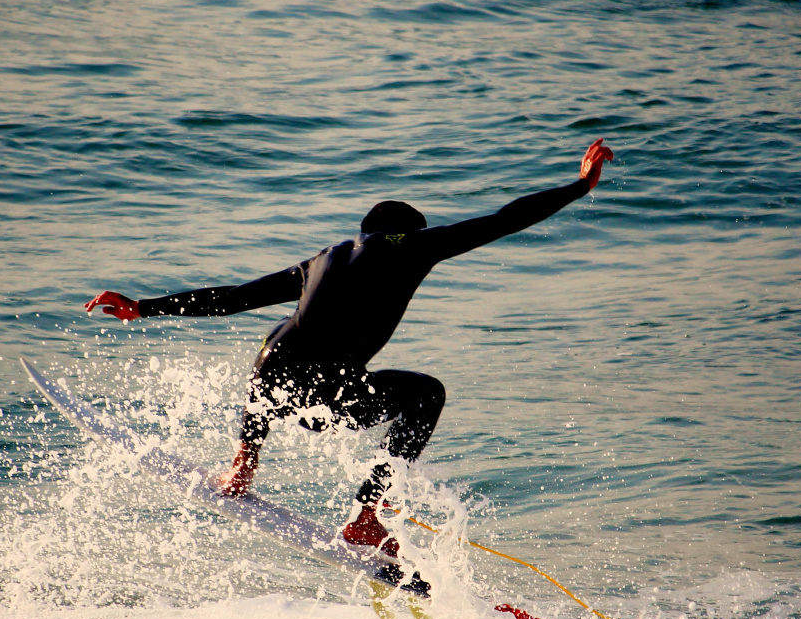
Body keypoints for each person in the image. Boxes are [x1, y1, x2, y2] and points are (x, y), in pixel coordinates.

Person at [85, 138, 614, 580]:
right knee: (426, 393)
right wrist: (580, 185)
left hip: (275, 383)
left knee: (280, 339)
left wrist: (143, 307)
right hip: (331, 392)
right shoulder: (413, 246)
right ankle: (366, 516)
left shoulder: (320, 260)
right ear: (410, 231)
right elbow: (504, 219)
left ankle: (244, 464)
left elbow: (234, 296)